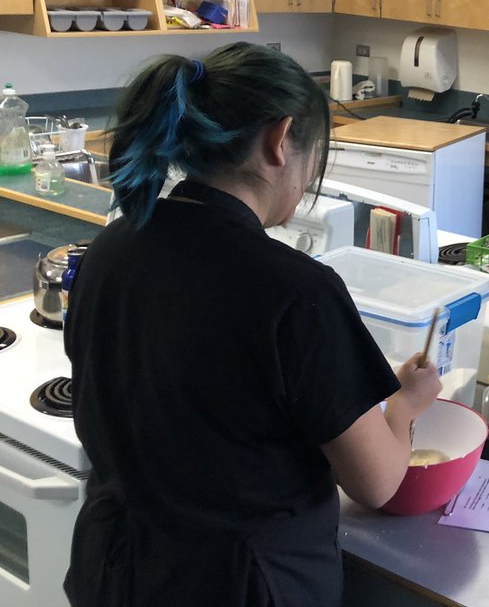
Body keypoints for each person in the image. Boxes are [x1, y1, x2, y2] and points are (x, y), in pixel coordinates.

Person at [64, 43, 442, 607]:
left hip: (116, 568)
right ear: (280, 139)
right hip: (233, 585)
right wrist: (405, 405)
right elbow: (377, 482)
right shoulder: (294, 290)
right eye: (314, 152)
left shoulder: (112, 246)